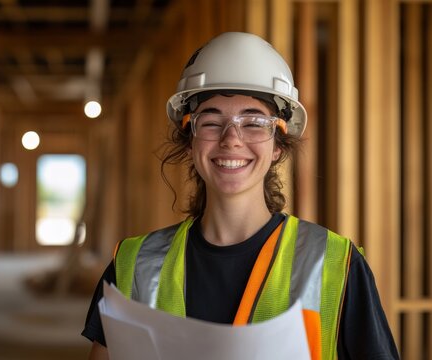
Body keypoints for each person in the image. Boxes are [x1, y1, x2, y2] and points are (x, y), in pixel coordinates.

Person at [82, 32, 399, 360]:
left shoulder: (336, 266)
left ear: (278, 145)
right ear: (190, 140)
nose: (231, 139)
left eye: (253, 122)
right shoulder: (134, 266)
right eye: (211, 121)